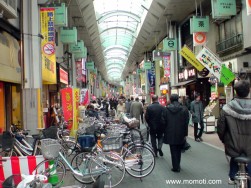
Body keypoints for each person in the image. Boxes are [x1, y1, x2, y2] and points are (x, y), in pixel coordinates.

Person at [217, 80, 251, 185]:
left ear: (235, 92)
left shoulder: (227, 108)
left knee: (234, 156)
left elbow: (220, 128)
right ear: (249, 91)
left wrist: (224, 139)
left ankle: (232, 176)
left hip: (233, 145)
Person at [162, 94, 189, 172]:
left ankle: (175, 166)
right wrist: (185, 134)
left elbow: (163, 121)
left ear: (170, 100)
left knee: (173, 149)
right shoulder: (184, 109)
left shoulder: (166, 109)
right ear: (177, 99)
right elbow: (186, 122)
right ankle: (178, 165)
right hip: (181, 132)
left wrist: (164, 131)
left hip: (170, 132)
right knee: (179, 149)